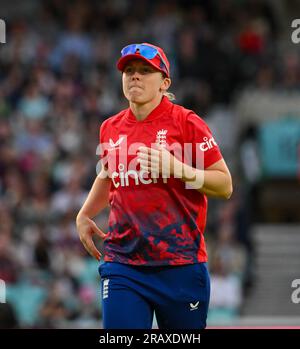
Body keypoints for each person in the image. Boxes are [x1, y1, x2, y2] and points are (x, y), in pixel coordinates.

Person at [76, 43, 233, 329]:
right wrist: (85, 213)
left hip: (181, 265)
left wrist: (177, 168)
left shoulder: (187, 123)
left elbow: (224, 185)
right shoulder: (110, 127)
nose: (135, 76)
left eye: (145, 71)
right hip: (123, 264)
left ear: (165, 83)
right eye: (129, 71)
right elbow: (108, 172)